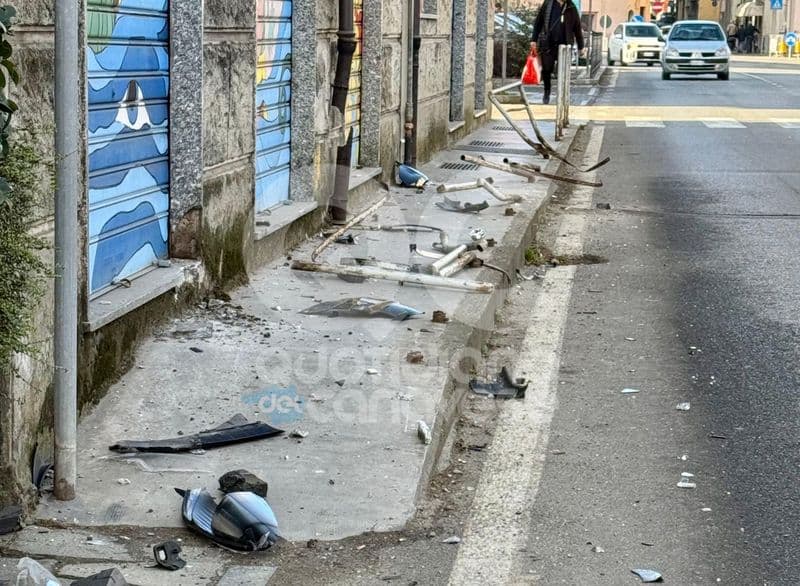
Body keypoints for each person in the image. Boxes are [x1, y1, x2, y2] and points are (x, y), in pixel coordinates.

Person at [530, 0, 584, 105]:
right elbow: (539, 22)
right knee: (546, 70)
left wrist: (581, 46)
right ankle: (547, 91)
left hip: (565, 46)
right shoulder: (548, 3)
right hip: (548, 44)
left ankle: (562, 94)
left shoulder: (571, 7)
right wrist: (534, 39)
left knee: (563, 71)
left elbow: (577, 27)